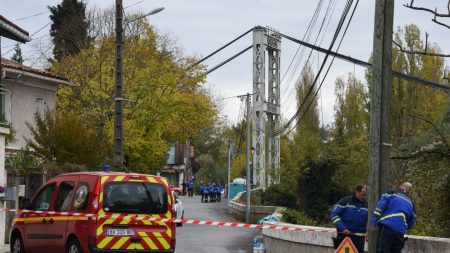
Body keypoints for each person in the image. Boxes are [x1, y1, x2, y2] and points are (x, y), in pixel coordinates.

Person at [370, 182, 416, 253]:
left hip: (387, 227)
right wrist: (403, 227)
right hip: (400, 232)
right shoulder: (411, 203)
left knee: (382, 250)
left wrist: (374, 222)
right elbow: (412, 222)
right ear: (409, 191)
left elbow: (379, 208)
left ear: (400, 186)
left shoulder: (391, 193)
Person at [330, 185, 369, 253]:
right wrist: (342, 228)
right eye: (363, 194)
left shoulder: (368, 205)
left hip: (359, 237)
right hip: (344, 235)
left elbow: (370, 221)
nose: (365, 197)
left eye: (366, 195)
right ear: (357, 192)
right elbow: (334, 214)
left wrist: (369, 232)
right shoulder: (345, 201)